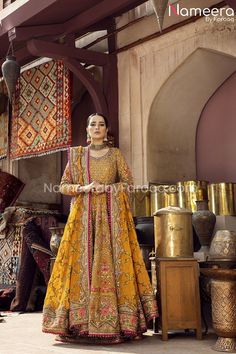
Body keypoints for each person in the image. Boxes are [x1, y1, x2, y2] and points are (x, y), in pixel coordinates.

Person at [42, 113, 158, 344]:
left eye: (101, 125)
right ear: (87, 130)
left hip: (110, 219)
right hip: (82, 220)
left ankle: (115, 324)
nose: (97, 127)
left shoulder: (115, 155)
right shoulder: (76, 155)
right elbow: (64, 186)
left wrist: (107, 189)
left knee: (111, 264)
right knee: (79, 266)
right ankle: (77, 323)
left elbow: (128, 183)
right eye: (92, 124)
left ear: (106, 131)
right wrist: (84, 187)